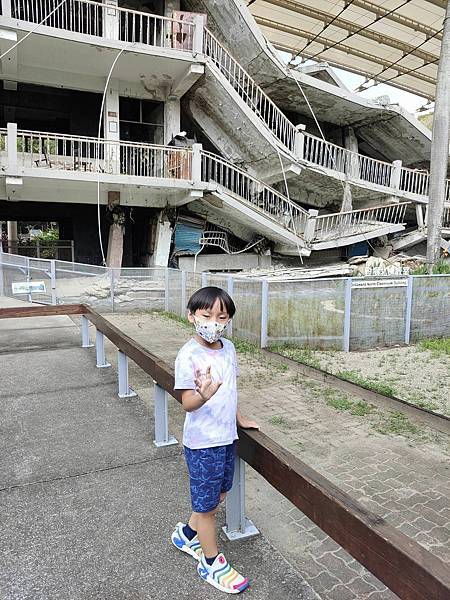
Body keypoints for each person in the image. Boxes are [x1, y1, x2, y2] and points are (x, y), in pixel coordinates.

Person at [171, 286, 259, 594]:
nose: (214, 322)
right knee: (207, 509)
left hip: (226, 437)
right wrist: (203, 395)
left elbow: (232, 389)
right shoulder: (188, 355)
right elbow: (186, 403)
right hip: (203, 442)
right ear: (191, 316)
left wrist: (239, 418)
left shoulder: (230, 348)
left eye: (221, 316)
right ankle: (210, 563)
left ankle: (187, 535)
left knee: (219, 494)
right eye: (206, 315)